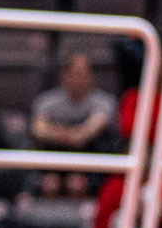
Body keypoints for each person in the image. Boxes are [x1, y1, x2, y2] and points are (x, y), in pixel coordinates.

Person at [31, 52, 120, 197]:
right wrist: (71, 134)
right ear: (64, 75)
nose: (80, 79)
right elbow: (38, 130)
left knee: (76, 183)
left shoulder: (105, 102)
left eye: (85, 73)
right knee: (49, 183)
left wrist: (57, 131)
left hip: (91, 164)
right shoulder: (46, 102)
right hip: (54, 163)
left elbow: (85, 134)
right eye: (75, 73)